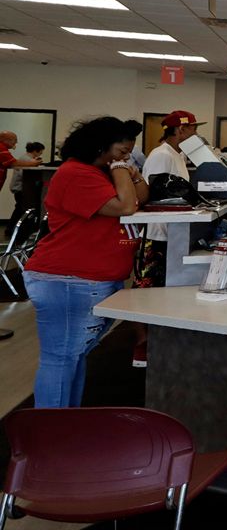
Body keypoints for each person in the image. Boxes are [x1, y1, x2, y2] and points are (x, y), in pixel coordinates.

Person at [22, 117, 149, 408]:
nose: (125, 156)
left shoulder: (100, 172)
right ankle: (50, 434)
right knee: (61, 358)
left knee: (73, 357)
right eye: (121, 151)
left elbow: (139, 198)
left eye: (129, 152)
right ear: (101, 146)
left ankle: (66, 423)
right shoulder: (76, 174)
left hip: (87, 279)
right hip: (67, 279)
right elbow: (127, 207)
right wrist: (119, 169)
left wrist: (131, 174)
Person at [138, 110, 203, 287]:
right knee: (149, 287)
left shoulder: (178, 155)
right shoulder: (162, 155)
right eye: (193, 129)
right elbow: (152, 195)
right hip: (158, 234)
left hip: (173, 232)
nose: (196, 134)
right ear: (180, 130)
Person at [7, 141, 45, 231]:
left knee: (19, 208)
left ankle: (11, 228)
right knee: (20, 209)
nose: (41, 154)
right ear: (35, 151)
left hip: (18, 187)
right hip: (22, 188)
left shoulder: (24, 158)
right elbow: (27, 175)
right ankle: (13, 228)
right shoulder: (29, 160)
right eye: (40, 152)